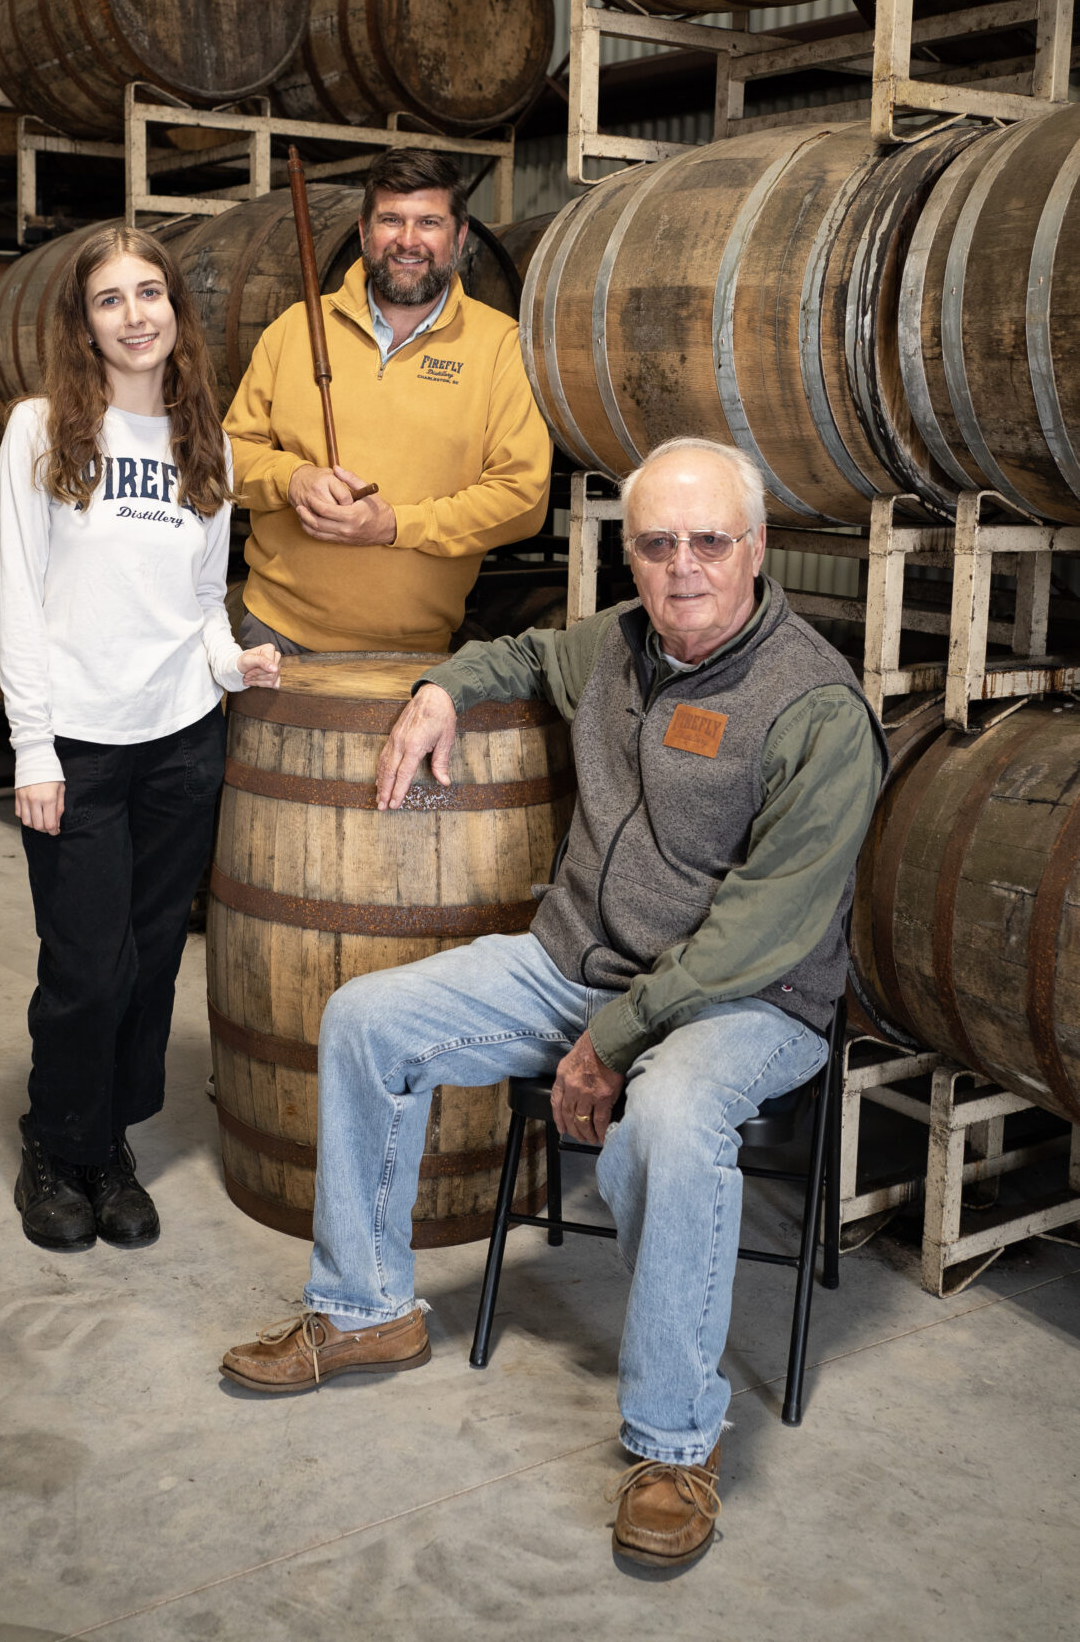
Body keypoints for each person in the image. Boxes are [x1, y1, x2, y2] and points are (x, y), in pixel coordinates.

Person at [220, 436, 887, 1573]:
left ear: (758, 549)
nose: (682, 569)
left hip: (746, 1002)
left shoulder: (816, 710)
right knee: (366, 1020)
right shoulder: (619, 647)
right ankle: (366, 1307)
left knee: (672, 1119)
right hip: (579, 963)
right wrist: (440, 689)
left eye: (709, 543)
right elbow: (522, 654)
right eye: (657, 544)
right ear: (629, 553)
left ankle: (676, 1442)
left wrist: (611, 1044)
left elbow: (762, 931)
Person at [0, 225, 280, 1253]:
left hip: (182, 741)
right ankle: (51, 1149)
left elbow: (203, 601)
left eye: (149, 293)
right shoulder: (39, 432)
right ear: (83, 321)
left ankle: (105, 1147)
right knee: (85, 963)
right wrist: (31, 746)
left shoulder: (211, 443)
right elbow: (16, 599)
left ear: (176, 310)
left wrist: (231, 662)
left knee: (153, 958)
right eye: (109, 299)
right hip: (76, 741)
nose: (134, 315)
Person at [224, 147, 552, 655]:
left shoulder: (498, 346)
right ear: (363, 231)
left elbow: (523, 499)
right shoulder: (295, 329)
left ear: (459, 237)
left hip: (414, 651)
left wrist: (395, 525)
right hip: (276, 634)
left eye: (429, 222)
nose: (407, 240)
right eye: (391, 220)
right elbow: (228, 456)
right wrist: (292, 479)